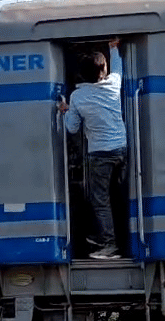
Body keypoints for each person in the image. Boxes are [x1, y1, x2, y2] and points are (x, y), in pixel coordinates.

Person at [58, 37, 127, 260]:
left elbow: (71, 128)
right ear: (103, 70)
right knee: (119, 195)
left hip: (100, 154)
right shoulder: (114, 84)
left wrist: (65, 110)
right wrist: (113, 48)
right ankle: (115, 237)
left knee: (100, 200)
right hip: (122, 149)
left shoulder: (78, 97)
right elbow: (118, 67)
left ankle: (110, 245)